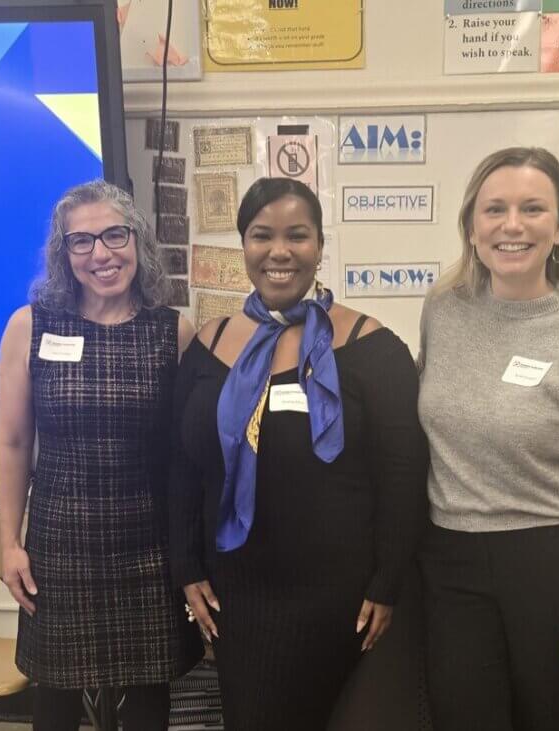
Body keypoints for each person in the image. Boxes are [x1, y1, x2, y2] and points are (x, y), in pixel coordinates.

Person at [169, 177, 428, 730]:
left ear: (319, 247)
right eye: (262, 235)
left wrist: (388, 581)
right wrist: (186, 566)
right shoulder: (207, 345)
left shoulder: (371, 348)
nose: (279, 251)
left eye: (298, 235)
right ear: (244, 245)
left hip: (339, 599)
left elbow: (403, 475)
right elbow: (182, 466)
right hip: (236, 593)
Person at [417, 147, 559, 731]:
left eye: (532, 209)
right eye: (495, 209)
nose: (512, 225)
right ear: (472, 227)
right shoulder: (442, 311)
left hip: (550, 562)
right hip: (451, 559)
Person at [0, 180, 202, 731]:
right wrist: (9, 544)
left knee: (148, 712)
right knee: (55, 710)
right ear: (63, 255)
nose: (101, 254)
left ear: (137, 241)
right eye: (81, 242)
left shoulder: (173, 332)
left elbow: (186, 456)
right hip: (59, 551)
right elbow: (14, 442)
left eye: (114, 235)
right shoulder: (30, 326)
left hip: (147, 549)